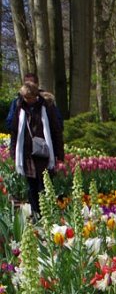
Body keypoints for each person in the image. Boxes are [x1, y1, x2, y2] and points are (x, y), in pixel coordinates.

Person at [9, 81, 64, 217]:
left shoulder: (47, 107)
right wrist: (13, 152)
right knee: (32, 186)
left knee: (44, 185)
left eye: (29, 98)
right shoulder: (19, 107)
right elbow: (15, 131)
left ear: (36, 96)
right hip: (27, 153)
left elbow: (56, 130)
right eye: (25, 98)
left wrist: (59, 153)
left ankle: (47, 214)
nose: (27, 101)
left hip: (44, 153)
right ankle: (35, 214)